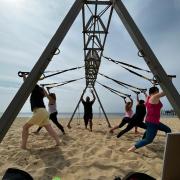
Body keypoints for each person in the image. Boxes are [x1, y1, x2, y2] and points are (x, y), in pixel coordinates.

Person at [21, 74, 60, 149]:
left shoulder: (35, 87)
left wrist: (24, 76)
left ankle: (23, 146)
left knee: (25, 127)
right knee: (49, 128)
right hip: (44, 112)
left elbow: (27, 83)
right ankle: (58, 142)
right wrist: (44, 89)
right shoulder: (40, 90)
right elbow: (48, 97)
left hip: (39, 111)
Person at [128, 86, 171, 152]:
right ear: (155, 92)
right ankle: (132, 148)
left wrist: (145, 92)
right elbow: (166, 92)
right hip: (152, 122)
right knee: (149, 140)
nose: (158, 93)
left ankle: (169, 145)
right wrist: (168, 82)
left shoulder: (148, 97)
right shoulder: (154, 97)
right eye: (157, 91)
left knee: (168, 130)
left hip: (152, 121)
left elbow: (147, 95)